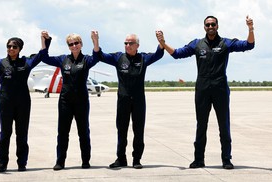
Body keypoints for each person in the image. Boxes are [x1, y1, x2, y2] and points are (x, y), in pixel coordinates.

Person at [156, 15, 255, 169]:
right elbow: (177, 54)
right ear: (204, 27)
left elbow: (249, 45)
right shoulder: (197, 44)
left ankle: (226, 159)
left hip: (220, 88)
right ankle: (198, 159)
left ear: (217, 26)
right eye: (207, 25)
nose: (210, 27)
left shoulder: (226, 43)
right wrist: (163, 43)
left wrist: (250, 29)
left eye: (213, 24)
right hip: (202, 89)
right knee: (201, 125)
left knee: (224, 125)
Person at [0, 31, 51, 173]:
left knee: (22, 133)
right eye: (9, 46)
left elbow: (42, 55)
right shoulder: (0, 63)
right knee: (5, 133)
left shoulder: (26, 62)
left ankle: (22, 163)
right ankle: (2, 163)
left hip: (23, 103)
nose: (11, 49)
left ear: (19, 49)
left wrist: (45, 40)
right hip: (5, 102)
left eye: (14, 47)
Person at [96, 32, 164, 169]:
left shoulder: (143, 58)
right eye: (125, 43)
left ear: (137, 45)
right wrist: (96, 41)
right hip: (123, 100)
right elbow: (100, 56)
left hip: (139, 100)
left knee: (138, 130)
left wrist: (161, 41)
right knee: (122, 130)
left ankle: (137, 159)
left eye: (130, 43)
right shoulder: (118, 58)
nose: (127, 45)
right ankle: (121, 158)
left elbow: (158, 54)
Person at [41, 31, 100, 170]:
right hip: (65, 101)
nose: (74, 46)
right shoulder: (63, 59)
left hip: (81, 101)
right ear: (68, 46)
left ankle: (85, 160)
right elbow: (44, 57)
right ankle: (60, 161)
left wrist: (95, 40)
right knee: (62, 132)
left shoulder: (86, 60)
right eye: (71, 44)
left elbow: (97, 57)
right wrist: (43, 40)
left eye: (76, 43)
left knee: (83, 132)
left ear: (81, 44)